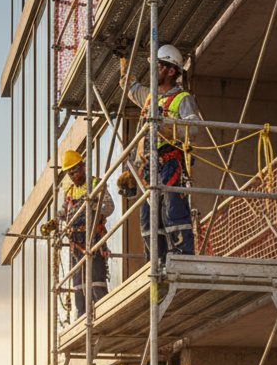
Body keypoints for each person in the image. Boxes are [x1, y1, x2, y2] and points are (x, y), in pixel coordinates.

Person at [117, 44, 196, 260]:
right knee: (148, 216)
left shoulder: (182, 98)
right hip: (149, 166)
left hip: (170, 161)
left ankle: (182, 257)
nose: (153, 71)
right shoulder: (149, 96)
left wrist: (166, 125)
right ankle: (156, 261)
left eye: (158, 67)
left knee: (172, 209)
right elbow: (130, 88)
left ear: (171, 71)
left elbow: (193, 129)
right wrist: (124, 63)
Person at [48, 150, 114, 319]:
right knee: (79, 288)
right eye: (70, 173)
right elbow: (63, 215)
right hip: (76, 244)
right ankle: (82, 320)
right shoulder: (70, 193)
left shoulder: (95, 184)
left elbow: (109, 207)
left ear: (83, 166)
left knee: (96, 283)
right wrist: (54, 226)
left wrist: (92, 206)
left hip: (93, 240)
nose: (74, 176)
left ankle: (104, 317)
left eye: (75, 171)